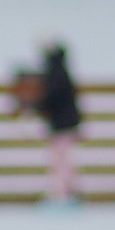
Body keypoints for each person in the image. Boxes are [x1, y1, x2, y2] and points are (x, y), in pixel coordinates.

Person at [35, 42, 83, 207]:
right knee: (62, 161)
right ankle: (65, 193)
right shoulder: (60, 71)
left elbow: (53, 96)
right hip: (64, 124)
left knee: (60, 162)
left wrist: (39, 105)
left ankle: (63, 195)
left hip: (62, 125)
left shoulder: (55, 73)